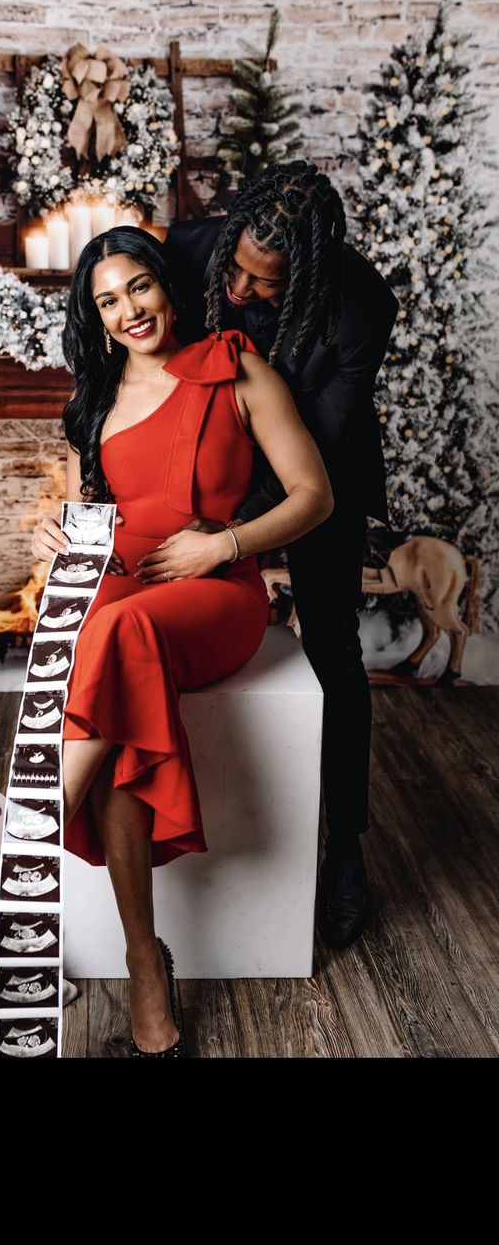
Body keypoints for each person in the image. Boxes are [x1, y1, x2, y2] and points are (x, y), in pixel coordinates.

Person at [0, 225, 333, 1056]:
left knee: (120, 633)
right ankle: (147, 964)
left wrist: (227, 544)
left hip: (215, 590)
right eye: (107, 300)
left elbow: (314, 494)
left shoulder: (236, 366)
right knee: (114, 665)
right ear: (95, 315)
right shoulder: (98, 394)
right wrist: (53, 540)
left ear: (166, 284)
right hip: (120, 584)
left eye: (138, 287)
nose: (129, 310)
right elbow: (88, 517)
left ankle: (5, 895)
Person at [165, 160, 399, 948]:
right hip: (207, 458)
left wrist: (235, 533)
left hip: (318, 474)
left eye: (265, 282)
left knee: (333, 647)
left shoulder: (362, 304)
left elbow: (321, 446)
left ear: (308, 271)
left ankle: (345, 852)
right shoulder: (189, 250)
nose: (237, 289)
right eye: (234, 267)